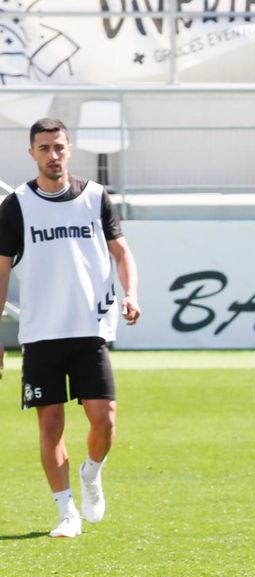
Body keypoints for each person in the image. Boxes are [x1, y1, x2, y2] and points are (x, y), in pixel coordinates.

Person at [0, 118, 141, 539]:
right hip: (41, 333)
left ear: (69, 149)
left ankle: (91, 472)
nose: (53, 155)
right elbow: (1, 271)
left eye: (59, 147)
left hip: (89, 328)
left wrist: (131, 294)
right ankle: (66, 513)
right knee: (50, 424)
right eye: (44, 148)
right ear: (32, 153)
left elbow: (121, 252)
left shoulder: (95, 197)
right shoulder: (16, 205)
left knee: (105, 420)